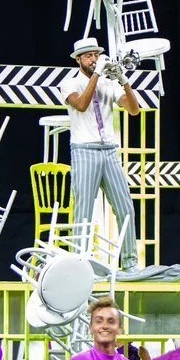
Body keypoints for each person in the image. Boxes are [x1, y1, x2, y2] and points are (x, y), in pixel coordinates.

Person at [60, 38, 140, 271]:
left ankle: (130, 263)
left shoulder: (107, 82)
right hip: (84, 150)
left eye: (96, 54)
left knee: (125, 206)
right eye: (88, 56)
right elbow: (82, 104)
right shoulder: (69, 83)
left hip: (109, 150)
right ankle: (80, 264)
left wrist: (124, 81)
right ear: (78, 60)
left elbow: (133, 110)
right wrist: (98, 75)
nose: (94, 59)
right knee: (83, 209)